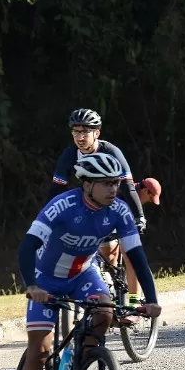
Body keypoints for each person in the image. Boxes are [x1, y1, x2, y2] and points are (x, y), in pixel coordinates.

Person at [15, 152, 161, 370]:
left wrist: (151, 300)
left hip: (83, 273)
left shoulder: (119, 210)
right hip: (46, 278)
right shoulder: (62, 206)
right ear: (87, 185)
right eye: (106, 184)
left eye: (116, 184)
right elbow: (27, 246)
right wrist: (31, 286)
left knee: (105, 312)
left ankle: (78, 368)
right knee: (39, 350)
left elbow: (137, 257)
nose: (113, 190)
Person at [52, 108, 147, 300]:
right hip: (89, 207)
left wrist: (139, 217)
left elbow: (128, 187)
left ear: (97, 133)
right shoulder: (70, 154)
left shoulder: (111, 151)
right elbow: (56, 190)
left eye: (85, 132)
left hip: (117, 203)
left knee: (129, 251)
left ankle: (134, 303)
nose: (80, 137)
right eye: (76, 132)